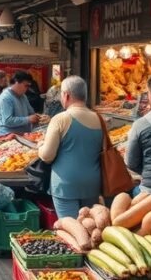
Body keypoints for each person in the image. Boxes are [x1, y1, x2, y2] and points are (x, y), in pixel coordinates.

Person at [37, 76, 103, 219]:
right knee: (89, 227)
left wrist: (40, 146)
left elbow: (47, 156)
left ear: (66, 95)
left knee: (72, 229)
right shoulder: (99, 119)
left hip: (65, 185)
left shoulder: (61, 119)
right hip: (92, 184)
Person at [0, 70, 42, 136]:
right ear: (16, 82)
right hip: (8, 137)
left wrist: (37, 117)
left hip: (23, 135)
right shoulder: (5, 98)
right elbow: (7, 121)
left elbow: (31, 112)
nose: (27, 88)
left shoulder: (23, 96)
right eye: (26, 85)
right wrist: (28, 119)